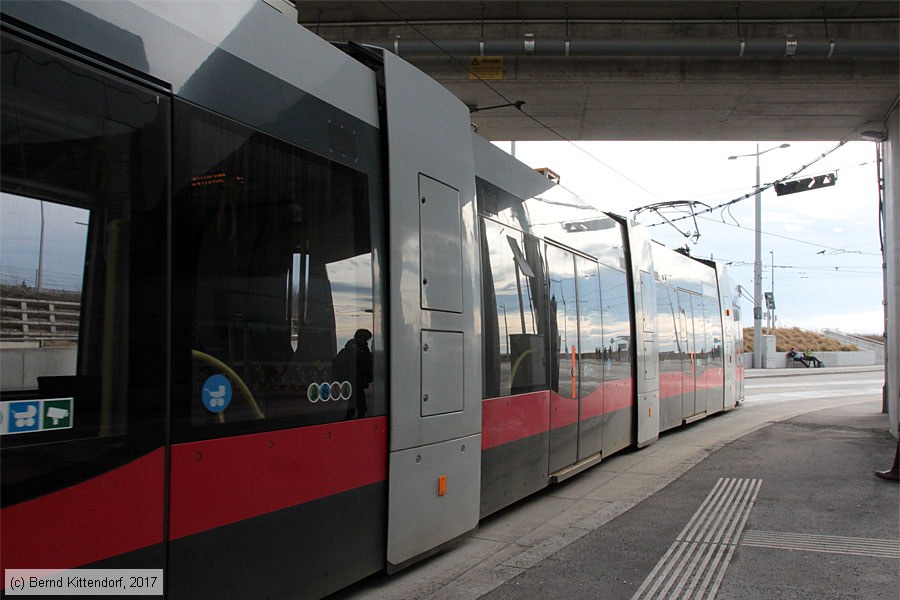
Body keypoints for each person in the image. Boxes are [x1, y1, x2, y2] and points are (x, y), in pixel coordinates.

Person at [333, 329, 374, 419]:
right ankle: (353, 421)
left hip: (355, 380)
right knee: (358, 405)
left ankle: (350, 419)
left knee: (355, 404)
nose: (367, 341)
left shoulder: (354, 348)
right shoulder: (357, 349)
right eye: (367, 339)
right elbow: (361, 365)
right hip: (355, 380)